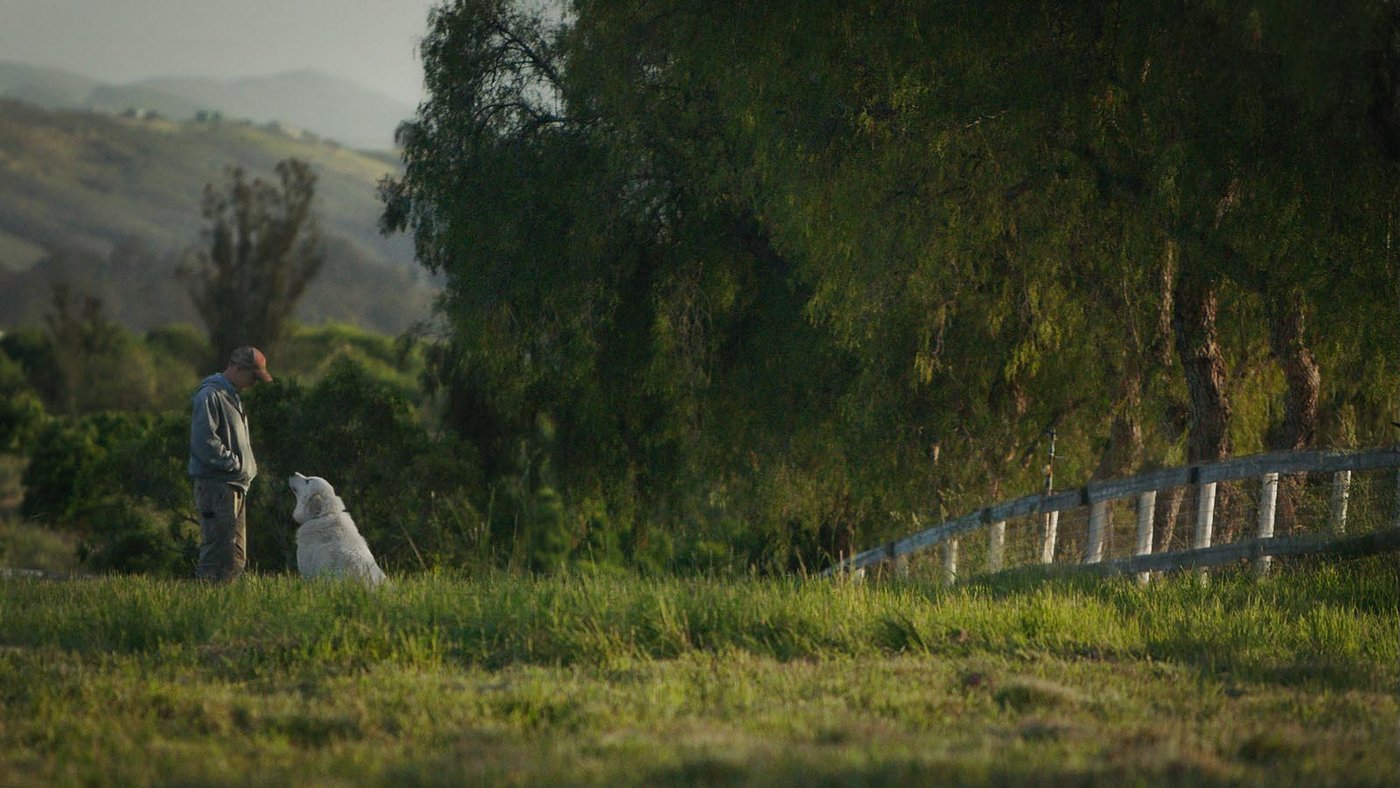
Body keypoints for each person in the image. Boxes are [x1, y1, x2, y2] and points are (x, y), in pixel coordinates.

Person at [188, 346, 272, 581]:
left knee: (235, 555)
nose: (254, 382)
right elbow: (204, 441)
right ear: (237, 368)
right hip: (217, 485)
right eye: (253, 376)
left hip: (235, 486)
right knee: (217, 552)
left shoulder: (232, 394)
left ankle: (225, 603)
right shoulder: (209, 395)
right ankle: (205, 603)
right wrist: (233, 463)